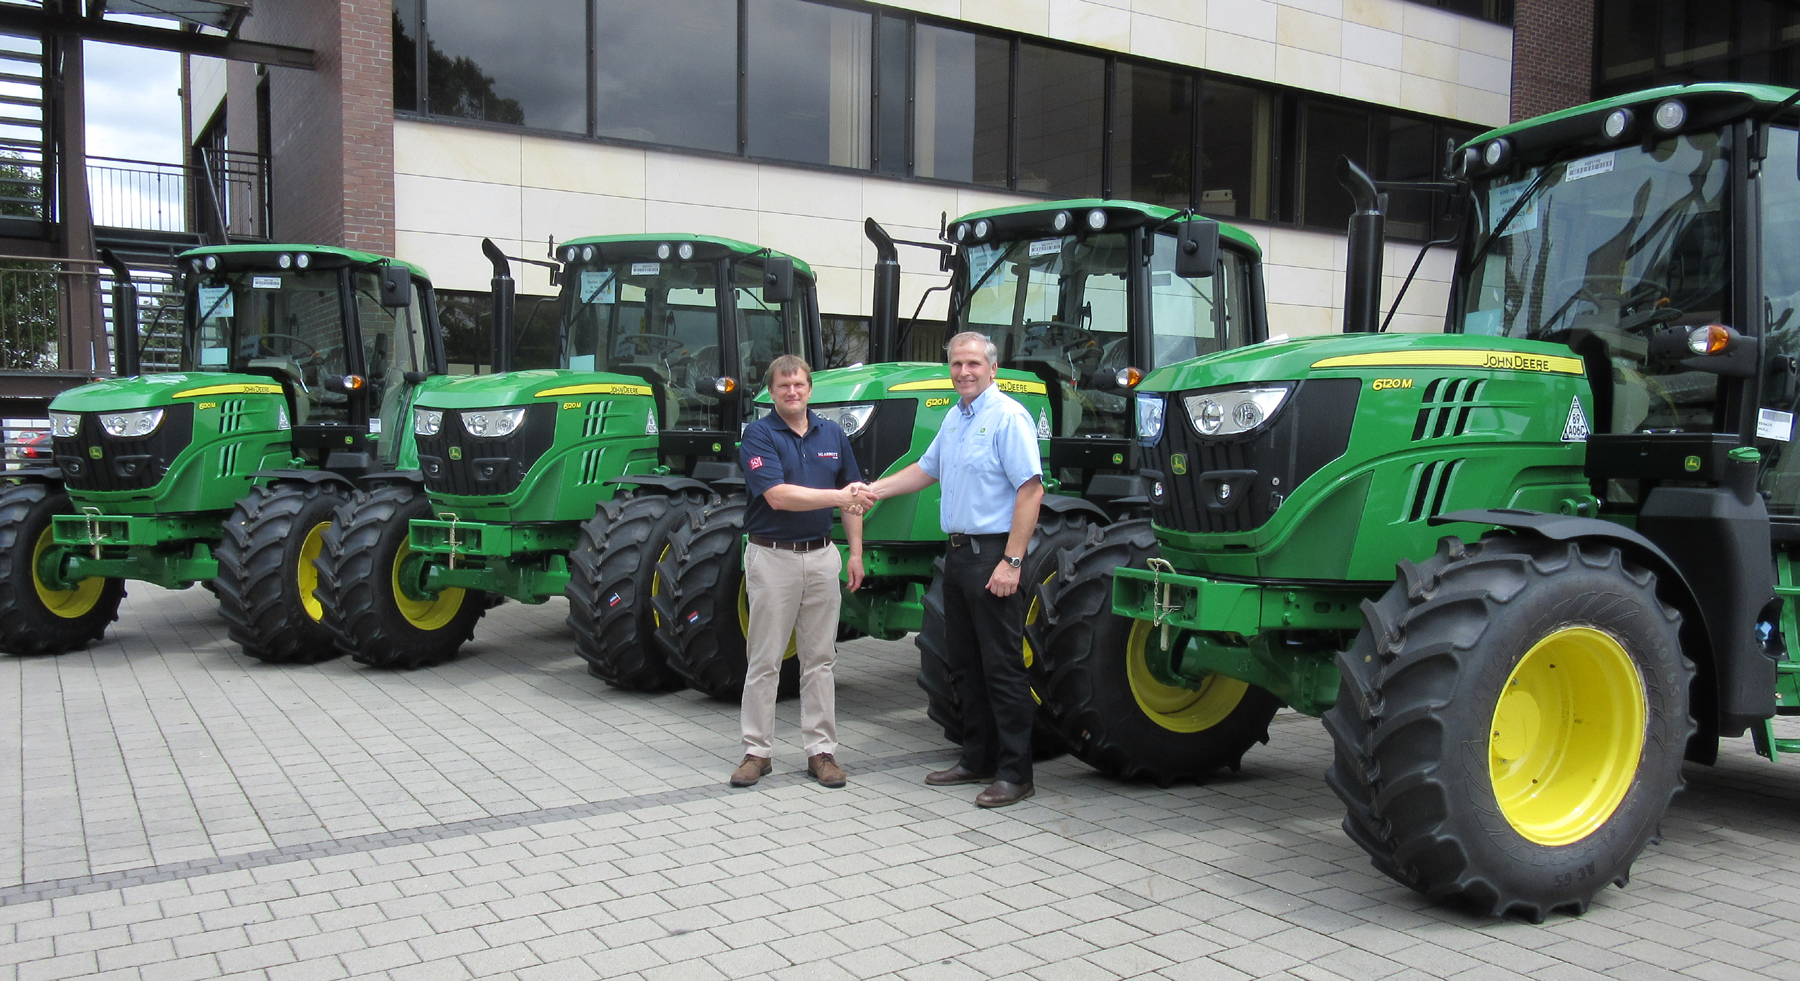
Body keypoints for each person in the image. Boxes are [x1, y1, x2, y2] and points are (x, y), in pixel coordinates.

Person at [857, 332, 1044, 807]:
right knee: (964, 664)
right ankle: (977, 757)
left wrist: (1012, 561)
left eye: (973, 363)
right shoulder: (955, 419)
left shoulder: (1008, 417)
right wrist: (874, 491)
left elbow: (1030, 491)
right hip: (958, 554)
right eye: (956, 363)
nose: (964, 371)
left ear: (992, 368)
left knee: (1001, 667)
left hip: (993, 555)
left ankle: (1015, 772)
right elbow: (926, 469)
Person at [730, 354, 866, 789]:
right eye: (783, 386)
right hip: (773, 559)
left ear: (810, 390)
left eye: (799, 385)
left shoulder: (832, 434)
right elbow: (778, 496)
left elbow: (855, 499)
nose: (792, 391)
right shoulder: (759, 434)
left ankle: (821, 752)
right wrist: (839, 497)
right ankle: (757, 751)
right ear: (772, 392)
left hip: (823, 556)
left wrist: (856, 553)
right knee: (765, 658)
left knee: (820, 659)